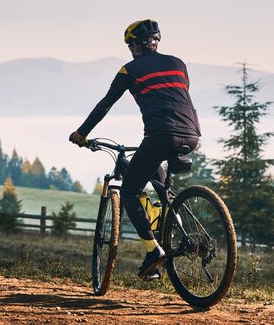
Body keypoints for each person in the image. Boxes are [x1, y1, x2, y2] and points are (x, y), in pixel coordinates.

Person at [69, 19, 201, 279]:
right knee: (163, 188)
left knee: (129, 189)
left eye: (130, 45)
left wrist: (81, 133)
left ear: (135, 46)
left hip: (160, 135)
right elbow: (175, 98)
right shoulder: (179, 64)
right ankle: (170, 225)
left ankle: (154, 251)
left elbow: (105, 104)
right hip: (192, 134)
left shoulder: (129, 70)